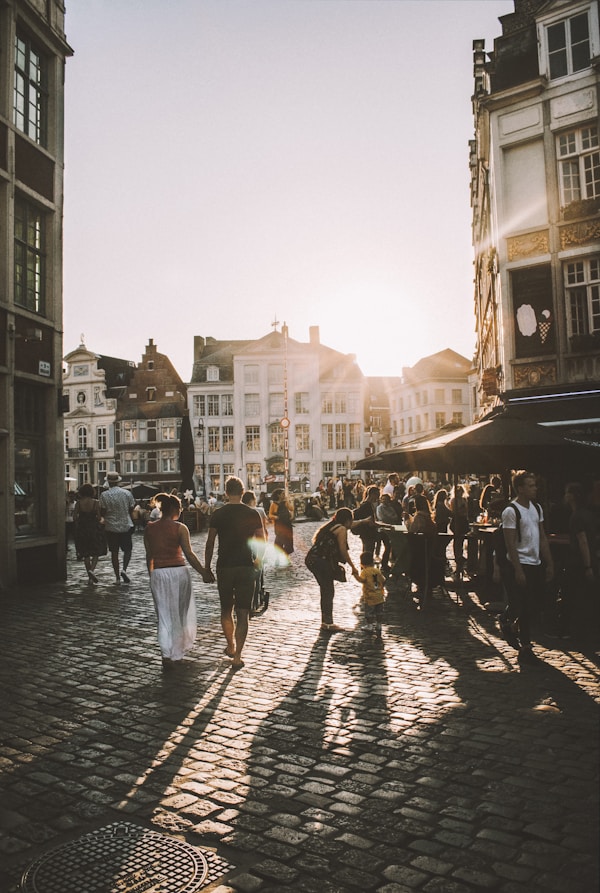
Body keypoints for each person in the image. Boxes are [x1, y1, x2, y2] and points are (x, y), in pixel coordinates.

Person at [204, 476, 265, 670]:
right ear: (243, 491)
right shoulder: (252, 513)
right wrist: (258, 560)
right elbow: (261, 540)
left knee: (226, 609)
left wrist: (207, 567)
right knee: (243, 612)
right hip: (246, 565)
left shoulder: (218, 514)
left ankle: (230, 644)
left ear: (226, 492)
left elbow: (210, 542)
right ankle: (238, 656)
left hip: (225, 566)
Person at [144, 492, 210, 671]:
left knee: (164, 615)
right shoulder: (180, 528)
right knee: (180, 614)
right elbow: (189, 554)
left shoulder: (149, 528)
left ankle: (166, 654)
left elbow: (149, 555)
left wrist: (153, 576)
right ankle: (177, 654)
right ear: (175, 509)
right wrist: (203, 572)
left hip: (159, 572)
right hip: (178, 572)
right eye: (180, 509)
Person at [500, 471, 554, 665]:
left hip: (535, 562)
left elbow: (542, 537)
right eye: (530, 486)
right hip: (518, 562)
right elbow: (510, 542)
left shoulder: (536, 508)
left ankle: (508, 621)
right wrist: (518, 569)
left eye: (535, 485)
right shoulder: (511, 511)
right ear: (521, 488)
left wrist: (549, 563)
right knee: (521, 604)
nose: (535, 489)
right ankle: (525, 645)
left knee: (532, 603)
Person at [305, 507, 359, 632]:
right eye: (351, 521)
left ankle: (326, 621)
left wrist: (365, 521)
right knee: (328, 591)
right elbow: (343, 550)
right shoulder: (341, 529)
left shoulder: (331, 525)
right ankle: (327, 623)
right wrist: (353, 566)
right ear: (347, 520)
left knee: (326, 589)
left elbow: (354, 524)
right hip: (321, 561)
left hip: (312, 559)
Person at [563, 482, 598, 639]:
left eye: (567, 493)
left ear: (572, 496)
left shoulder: (576, 517)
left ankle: (578, 632)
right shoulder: (589, 514)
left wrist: (587, 565)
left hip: (580, 562)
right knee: (588, 596)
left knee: (577, 596)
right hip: (591, 559)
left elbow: (582, 541)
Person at [99, 471, 135, 584]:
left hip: (111, 527)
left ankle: (117, 578)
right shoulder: (126, 493)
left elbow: (103, 511)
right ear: (118, 481)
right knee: (127, 550)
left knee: (114, 552)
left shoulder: (104, 495)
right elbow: (131, 508)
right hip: (125, 525)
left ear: (108, 482)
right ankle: (124, 569)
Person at [73, 483, 107, 584]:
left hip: (82, 529)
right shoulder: (96, 503)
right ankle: (92, 571)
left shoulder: (78, 503)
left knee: (86, 554)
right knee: (95, 553)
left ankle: (90, 576)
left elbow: (74, 517)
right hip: (94, 529)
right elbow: (99, 517)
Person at [357, 550, 386, 638]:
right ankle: (379, 625)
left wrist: (355, 575)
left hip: (369, 596)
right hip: (379, 596)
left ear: (362, 563)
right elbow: (383, 580)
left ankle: (369, 625)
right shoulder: (377, 571)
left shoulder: (365, 572)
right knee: (379, 612)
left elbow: (361, 580)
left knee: (369, 612)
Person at [450, 484, 469, 579]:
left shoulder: (464, 500)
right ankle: (457, 556)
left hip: (463, 521)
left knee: (461, 539)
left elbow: (466, 511)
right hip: (457, 521)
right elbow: (454, 511)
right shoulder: (453, 500)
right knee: (456, 539)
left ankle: (460, 556)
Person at [270, 488, 294, 564]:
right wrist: (276, 517)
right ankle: (277, 558)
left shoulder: (285, 502)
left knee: (288, 541)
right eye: (283, 494)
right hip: (279, 525)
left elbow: (291, 508)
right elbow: (270, 515)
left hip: (287, 524)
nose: (284, 495)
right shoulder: (273, 504)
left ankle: (287, 557)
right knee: (279, 541)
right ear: (278, 495)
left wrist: (290, 501)